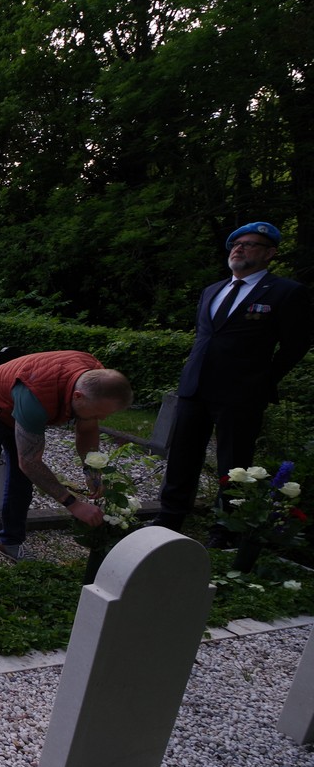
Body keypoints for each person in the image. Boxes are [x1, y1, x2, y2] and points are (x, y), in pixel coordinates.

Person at [153, 222, 312, 543]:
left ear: (269, 253)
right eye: (235, 244)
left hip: (242, 392)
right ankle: (169, 516)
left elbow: (296, 345)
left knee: (234, 464)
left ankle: (225, 529)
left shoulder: (285, 291)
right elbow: (206, 337)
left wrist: (264, 379)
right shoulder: (213, 290)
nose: (239, 249)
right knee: (182, 456)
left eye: (249, 244)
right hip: (195, 388)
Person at [0, 351, 133, 566]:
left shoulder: (96, 380)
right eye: (98, 414)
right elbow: (30, 462)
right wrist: (73, 504)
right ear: (78, 396)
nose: (101, 419)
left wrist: (92, 472)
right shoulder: (36, 396)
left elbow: (87, 430)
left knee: (22, 480)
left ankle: (11, 542)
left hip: (23, 404)